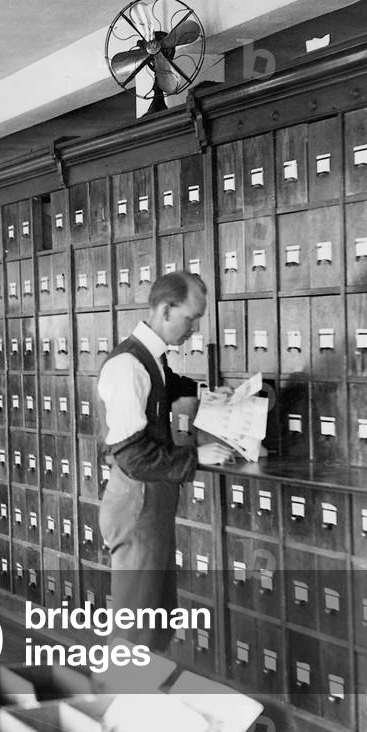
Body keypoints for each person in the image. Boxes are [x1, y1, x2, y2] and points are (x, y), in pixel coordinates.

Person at [96, 271, 232, 651]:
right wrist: (195, 456)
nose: (194, 329)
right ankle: (116, 706)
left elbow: (169, 385)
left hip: (151, 503)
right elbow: (131, 453)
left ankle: (142, 704)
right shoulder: (127, 367)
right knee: (136, 628)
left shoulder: (150, 360)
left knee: (154, 620)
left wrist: (208, 393)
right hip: (137, 501)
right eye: (191, 318)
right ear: (166, 310)